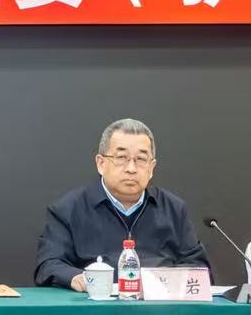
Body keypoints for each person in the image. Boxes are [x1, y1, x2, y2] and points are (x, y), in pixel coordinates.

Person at [35, 118, 209, 291]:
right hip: (94, 303)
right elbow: (49, 264)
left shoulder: (174, 209)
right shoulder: (68, 210)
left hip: (159, 305)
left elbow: (198, 266)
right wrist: (76, 278)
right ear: (101, 164)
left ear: (151, 168)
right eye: (121, 158)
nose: (131, 168)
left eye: (141, 159)